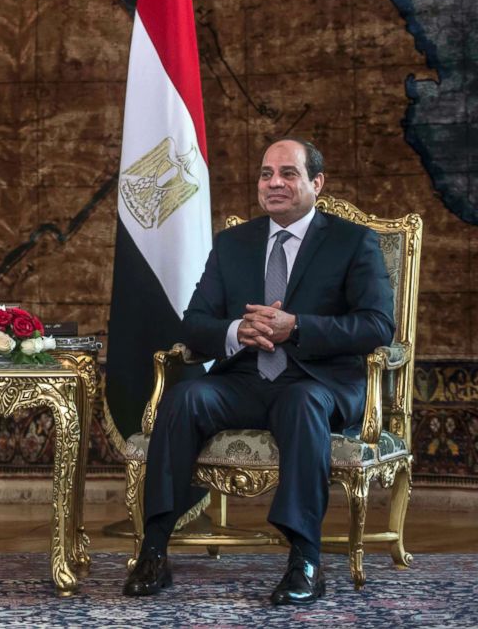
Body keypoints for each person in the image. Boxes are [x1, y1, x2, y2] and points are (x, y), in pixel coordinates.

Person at [122, 138, 395, 605]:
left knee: (301, 401)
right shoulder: (233, 243)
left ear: (316, 183)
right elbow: (196, 323)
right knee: (187, 397)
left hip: (319, 383)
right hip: (246, 380)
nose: (274, 183)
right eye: (267, 174)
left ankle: (305, 559)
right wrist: (235, 331)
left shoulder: (352, 241)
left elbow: (377, 325)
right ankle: (154, 548)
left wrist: (298, 328)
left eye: (288, 173)